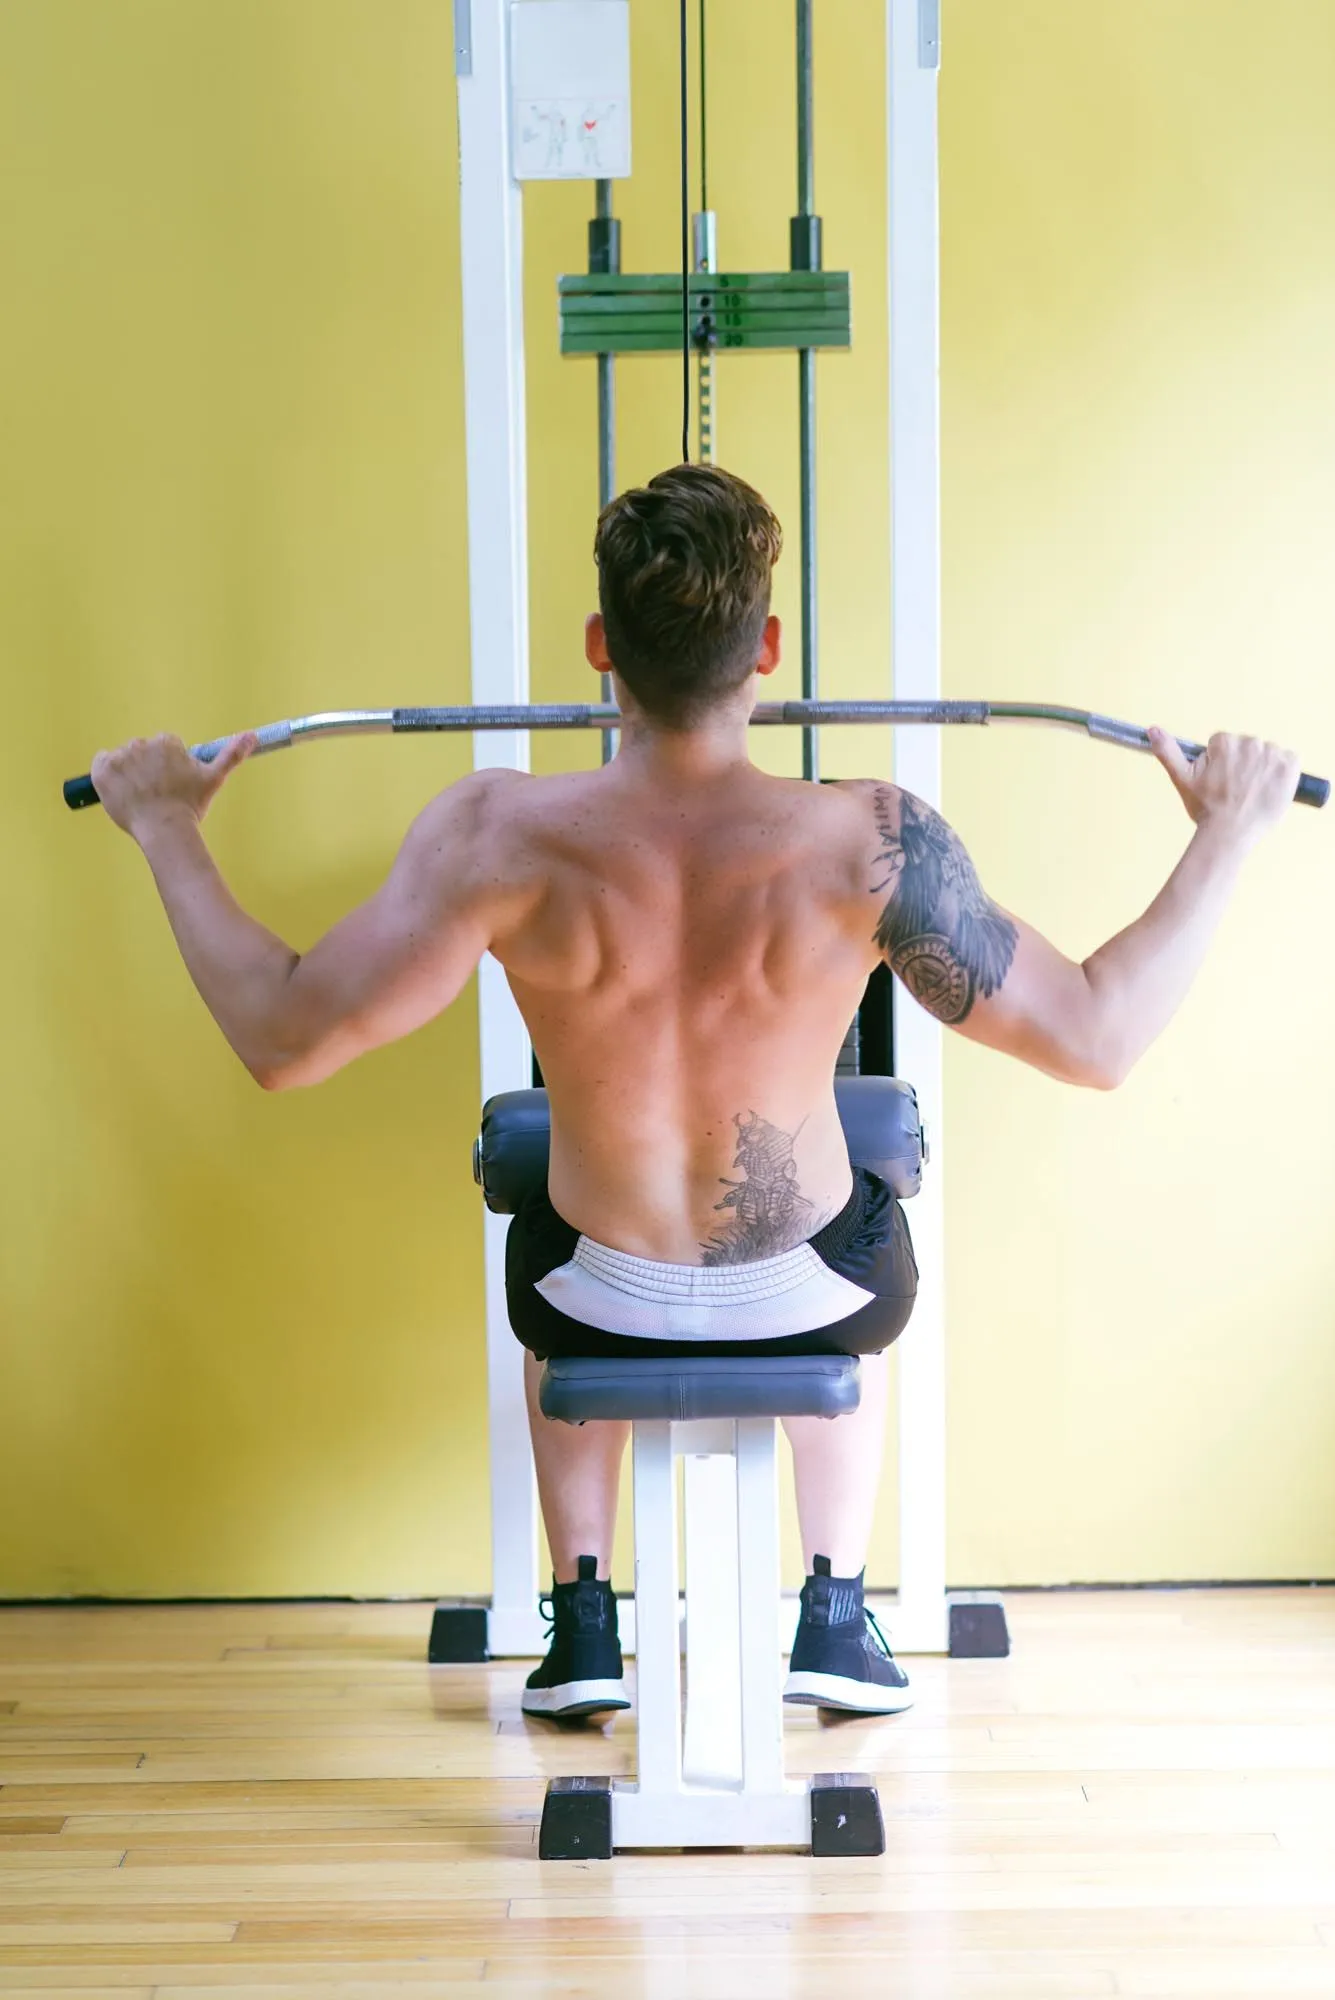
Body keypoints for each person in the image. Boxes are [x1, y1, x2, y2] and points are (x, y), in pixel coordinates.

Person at [90, 464, 1301, 1719]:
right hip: (814, 1288)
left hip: (592, 1288)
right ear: (768, 646)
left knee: (537, 1199)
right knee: (874, 1168)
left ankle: (585, 1620)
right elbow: (1097, 1033)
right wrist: (1227, 832)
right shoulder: (867, 841)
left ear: (600, 647)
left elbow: (283, 1034)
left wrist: (168, 827)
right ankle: (833, 1604)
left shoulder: (493, 837)